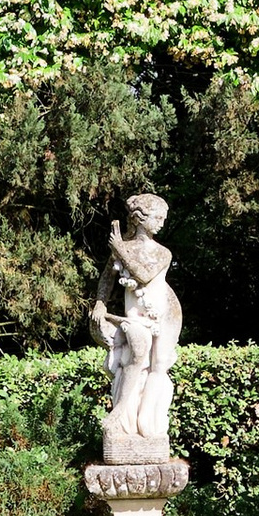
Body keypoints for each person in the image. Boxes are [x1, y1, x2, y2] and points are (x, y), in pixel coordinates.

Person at [88, 192, 182, 455]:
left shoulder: (162, 252)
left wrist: (119, 248)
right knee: (137, 353)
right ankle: (119, 416)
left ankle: (147, 424)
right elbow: (107, 277)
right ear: (140, 220)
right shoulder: (124, 247)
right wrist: (100, 303)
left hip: (165, 314)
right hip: (137, 318)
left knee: (158, 366)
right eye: (158, 218)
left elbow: (142, 274)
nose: (162, 223)